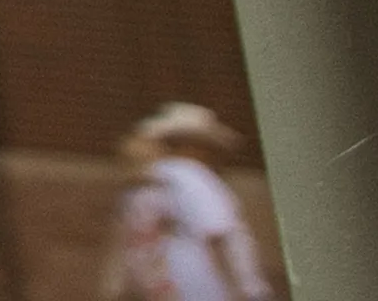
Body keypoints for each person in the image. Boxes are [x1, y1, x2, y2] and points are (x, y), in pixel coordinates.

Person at [114, 104, 273, 301]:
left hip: (165, 288)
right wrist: (245, 293)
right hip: (207, 287)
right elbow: (217, 234)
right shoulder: (192, 176)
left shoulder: (141, 184)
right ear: (193, 144)